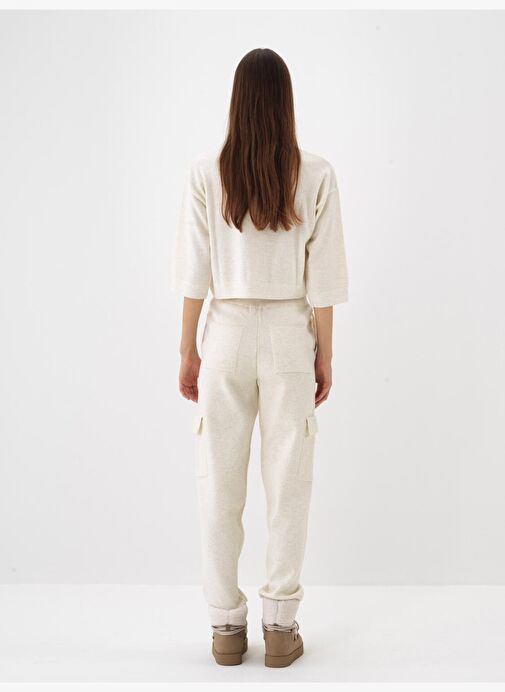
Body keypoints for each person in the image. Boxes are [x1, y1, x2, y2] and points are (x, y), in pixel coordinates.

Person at [170, 47, 348, 667]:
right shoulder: (316, 173)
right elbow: (324, 280)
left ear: (237, 101)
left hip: (224, 333)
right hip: (290, 335)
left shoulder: (205, 172)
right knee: (289, 482)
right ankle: (279, 626)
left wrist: (187, 349)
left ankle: (225, 627)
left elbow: (194, 273)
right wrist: (325, 354)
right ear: (286, 102)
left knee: (218, 482)